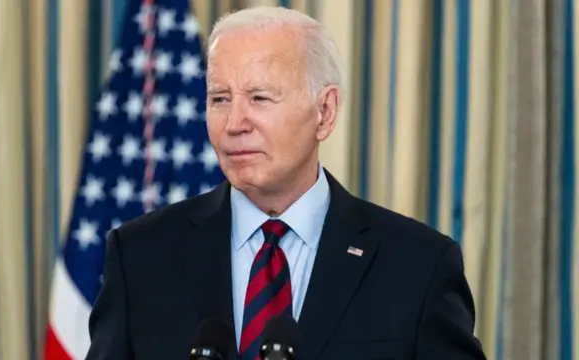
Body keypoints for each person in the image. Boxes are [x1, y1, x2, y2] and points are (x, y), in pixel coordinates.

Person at [85, 5, 486, 360]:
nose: (235, 124)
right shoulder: (140, 257)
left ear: (324, 112)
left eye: (260, 98)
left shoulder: (418, 266)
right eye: (220, 99)